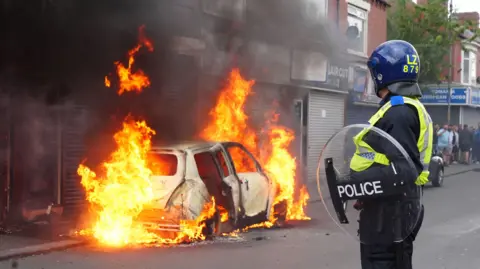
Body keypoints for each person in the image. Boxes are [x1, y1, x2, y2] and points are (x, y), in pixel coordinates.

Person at [349, 40, 433, 269]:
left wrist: (353, 183)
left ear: (383, 73)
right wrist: (365, 192)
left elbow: (404, 170)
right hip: (388, 212)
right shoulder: (404, 107)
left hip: (388, 218)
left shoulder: (398, 112)